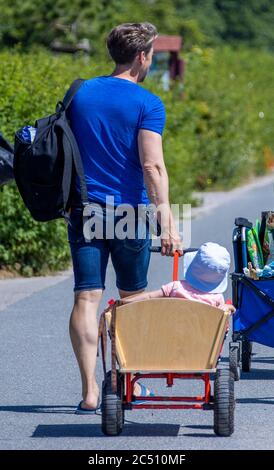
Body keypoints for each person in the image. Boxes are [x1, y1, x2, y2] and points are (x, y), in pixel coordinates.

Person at [67, 22, 183, 413]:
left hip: (84, 209)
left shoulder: (80, 93)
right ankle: (124, 380)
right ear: (142, 56)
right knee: (131, 299)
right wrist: (167, 221)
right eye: (150, 53)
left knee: (86, 296)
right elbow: (152, 167)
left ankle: (89, 391)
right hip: (128, 213)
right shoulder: (147, 104)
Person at [119, 242, 235, 314]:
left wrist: (123, 302)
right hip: (203, 343)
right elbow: (222, 314)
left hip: (172, 337)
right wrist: (229, 307)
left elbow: (149, 296)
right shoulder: (216, 298)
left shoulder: (176, 287)